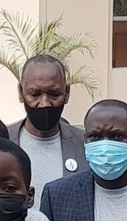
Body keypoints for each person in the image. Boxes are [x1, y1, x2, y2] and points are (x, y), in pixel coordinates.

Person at [8, 54, 85, 191]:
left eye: (54, 94)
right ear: (20, 92)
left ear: (67, 93)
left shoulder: (86, 145)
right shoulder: (1, 141)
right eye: (35, 94)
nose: (45, 103)